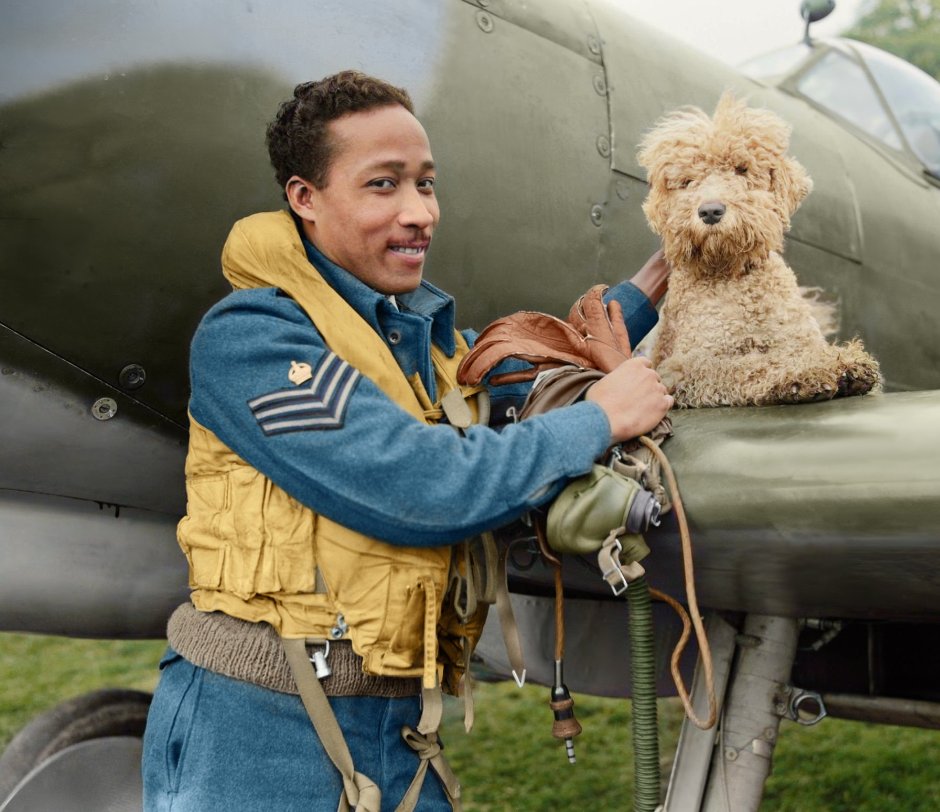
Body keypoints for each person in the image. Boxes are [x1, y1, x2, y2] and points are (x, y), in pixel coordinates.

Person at [141, 70, 673, 812]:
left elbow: (528, 378)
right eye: (383, 185)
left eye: (425, 184)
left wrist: (674, 265)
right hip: (259, 731)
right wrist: (601, 420)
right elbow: (417, 485)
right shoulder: (253, 340)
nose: (420, 212)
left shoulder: (413, 348)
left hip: (398, 731)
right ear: (304, 199)